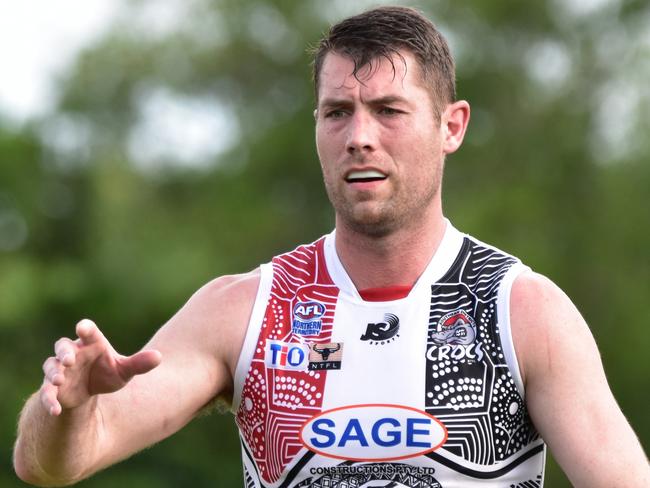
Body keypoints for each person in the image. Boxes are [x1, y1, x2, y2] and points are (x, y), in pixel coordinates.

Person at [13, 6, 649, 488]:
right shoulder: (245, 309)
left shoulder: (524, 312)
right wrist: (69, 409)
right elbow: (50, 466)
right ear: (315, 125)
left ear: (451, 126)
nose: (359, 137)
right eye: (337, 111)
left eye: (389, 111)